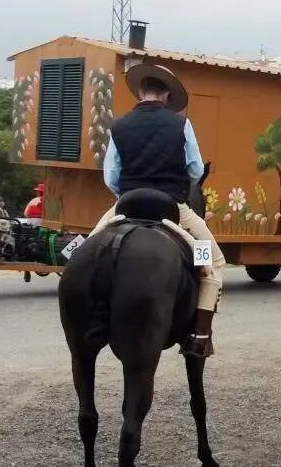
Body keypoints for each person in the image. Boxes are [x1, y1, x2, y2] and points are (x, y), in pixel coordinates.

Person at [90, 63, 223, 358]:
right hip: (173, 206)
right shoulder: (182, 124)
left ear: (141, 92)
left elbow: (111, 176)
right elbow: (195, 169)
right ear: (166, 95)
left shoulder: (119, 126)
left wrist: (128, 194)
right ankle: (200, 334)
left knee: (84, 251)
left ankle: (88, 319)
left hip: (126, 204)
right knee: (212, 262)